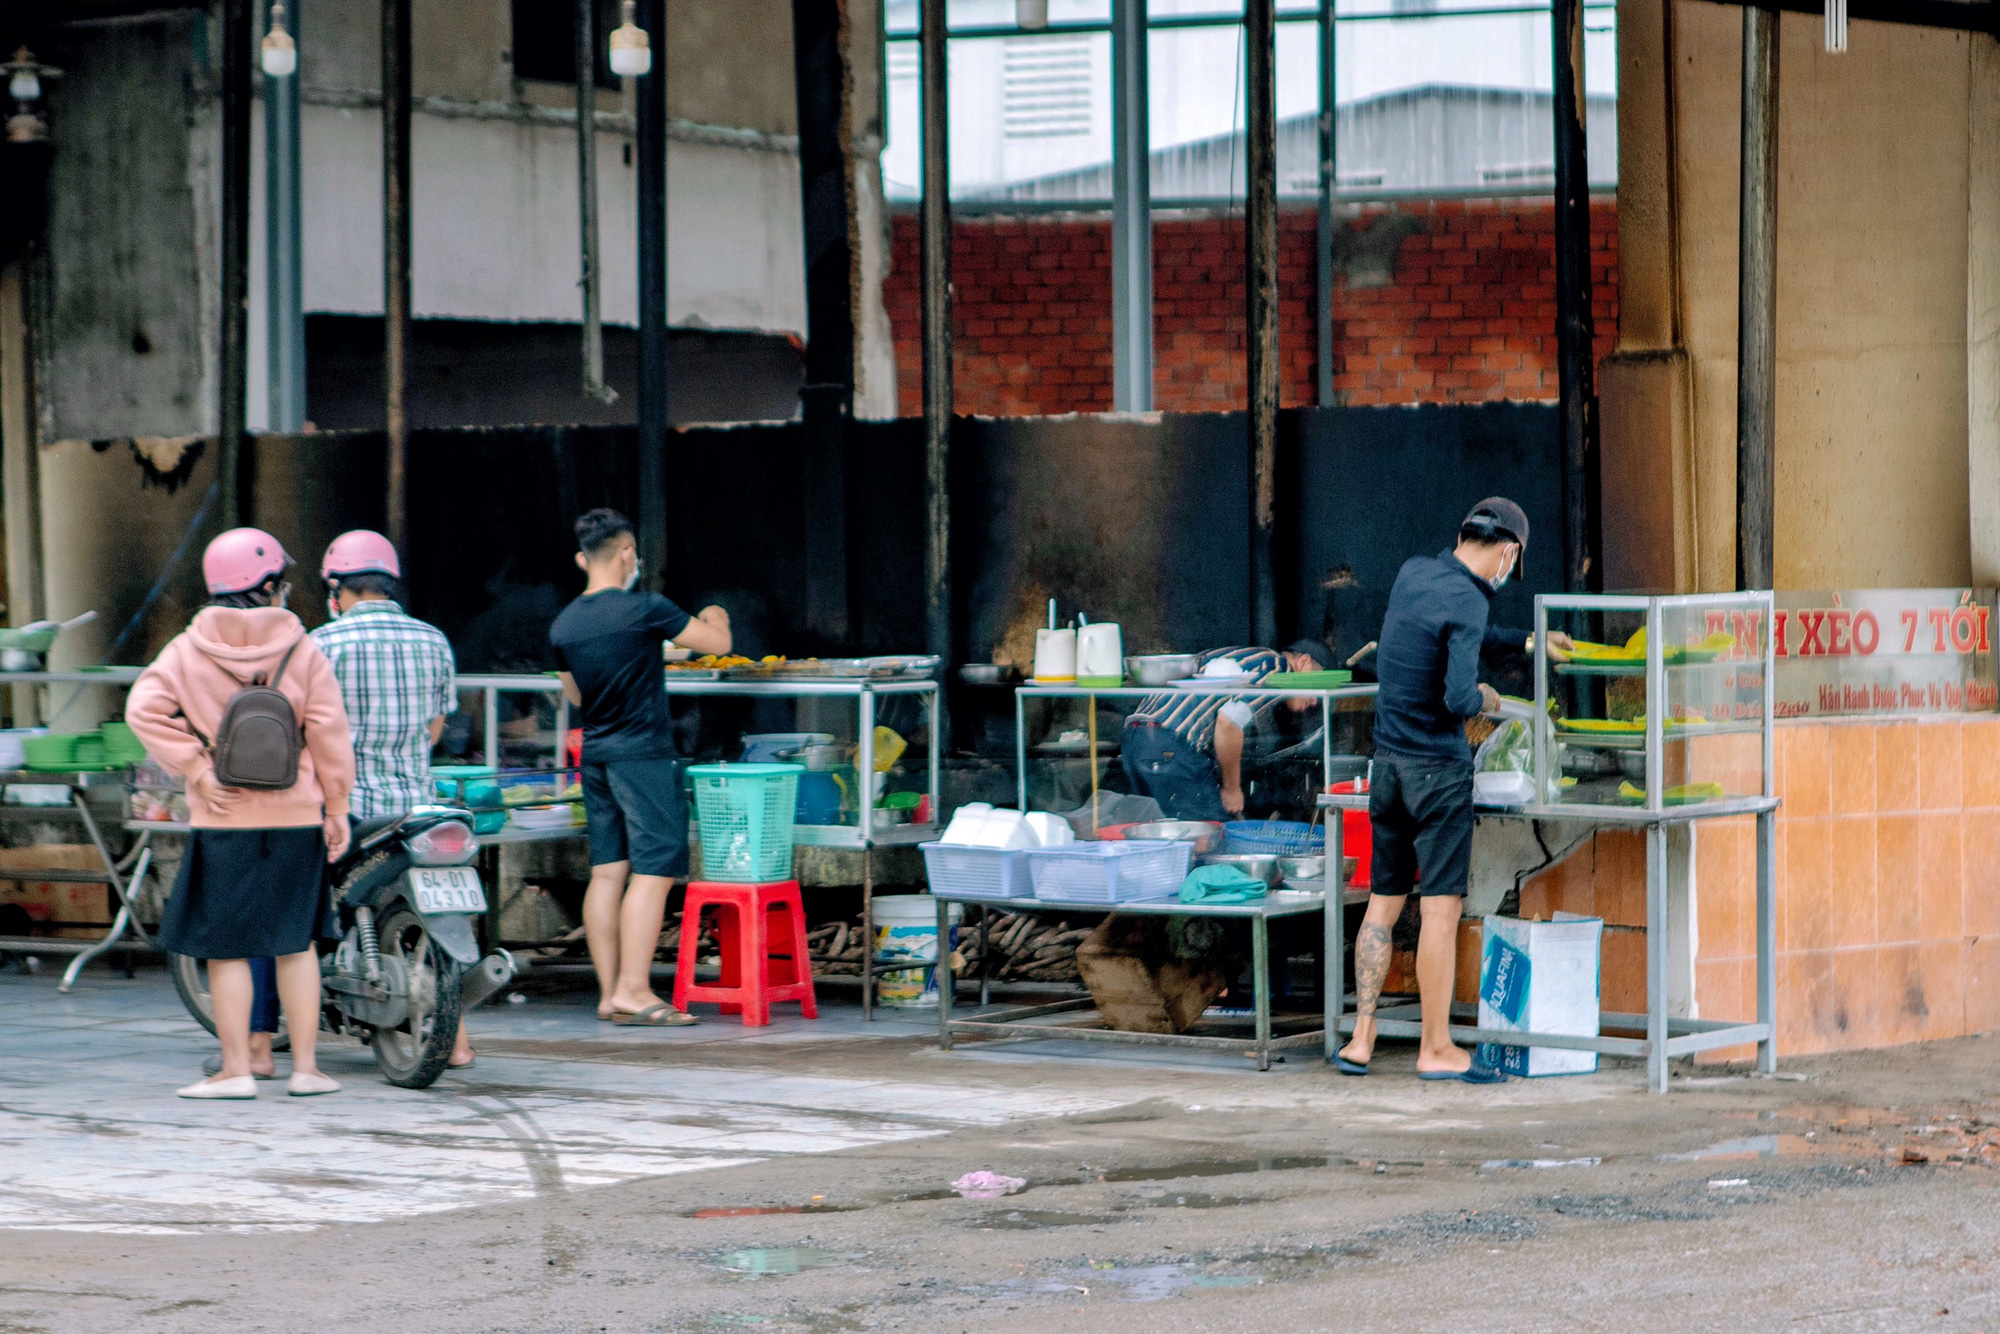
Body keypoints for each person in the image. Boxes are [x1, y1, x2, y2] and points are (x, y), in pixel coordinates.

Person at [1333, 498, 1569, 1084]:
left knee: (1383, 905)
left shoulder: (1415, 572)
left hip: (1386, 769)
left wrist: (1528, 643)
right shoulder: (1470, 598)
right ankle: (1436, 1047)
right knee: (1440, 912)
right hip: (1436, 776)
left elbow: (1459, 630)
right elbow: (1458, 696)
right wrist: (1491, 698)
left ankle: (1361, 1039)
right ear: (1508, 551)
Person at [128, 528, 355, 1099]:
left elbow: (143, 711)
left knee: (226, 948)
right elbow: (329, 732)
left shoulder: (185, 649)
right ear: (272, 586)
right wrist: (338, 805)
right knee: (295, 944)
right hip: (296, 816)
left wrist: (198, 769)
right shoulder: (304, 650)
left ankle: (235, 1071)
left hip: (223, 816)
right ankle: (306, 1069)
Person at [551, 508, 733, 1026]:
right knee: (654, 871)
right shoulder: (645, 608)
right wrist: (716, 612)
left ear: (584, 558)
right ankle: (635, 988)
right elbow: (718, 645)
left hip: (599, 754)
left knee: (608, 872)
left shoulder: (564, 623)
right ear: (627, 553)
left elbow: (576, 694)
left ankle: (610, 993)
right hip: (644, 755)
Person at [309, 530, 474, 1069]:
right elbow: (433, 732)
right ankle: (459, 1042)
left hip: (350, 810)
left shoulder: (321, 645)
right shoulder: (434, 640)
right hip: (418, 809)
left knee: (303, 896)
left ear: (338, 589)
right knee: (430, 908)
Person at [1120, 640, 1335, 821]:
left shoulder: (1248, 657)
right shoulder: (1277, 669)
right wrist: (1231, 788)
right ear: (1303, 662)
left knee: (1161, 832)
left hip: (1135, 739)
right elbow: (1228, 723)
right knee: (1209, 834)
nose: (1315, 700)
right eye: (1317, 680)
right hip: (1169, 745)